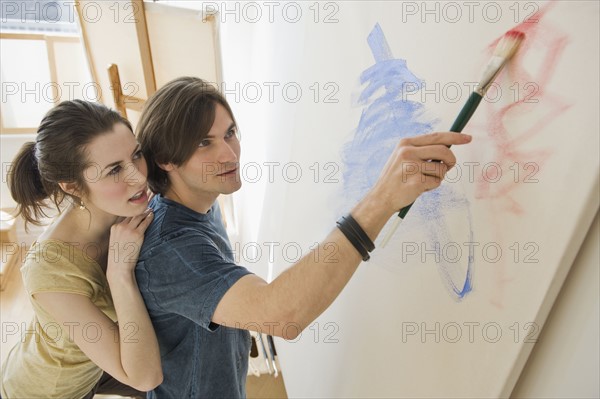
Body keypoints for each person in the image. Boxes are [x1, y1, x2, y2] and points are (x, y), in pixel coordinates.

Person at [134, 76, 471, 398]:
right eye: (204, 143)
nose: (229, 154)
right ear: (166, 159)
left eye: (230, 133)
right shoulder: (170, 250)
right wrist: (381, 199)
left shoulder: (200, 203)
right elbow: (281, 315)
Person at [1, 100, 163, 399]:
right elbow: (145, 376)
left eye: (137, 154)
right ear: (72, 187)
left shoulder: (125, 205)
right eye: (114, 170)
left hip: (94, 363)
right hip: (46, 391)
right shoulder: (50, 269)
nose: (139, 177)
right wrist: (119, 272)